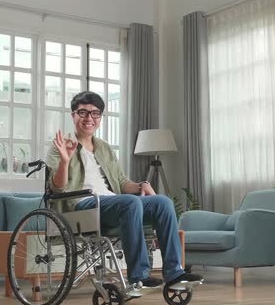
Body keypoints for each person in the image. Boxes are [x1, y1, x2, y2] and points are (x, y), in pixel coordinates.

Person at [47, 91, 202, 288]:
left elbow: (121, 182)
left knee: (163, 202)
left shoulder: (104, 147)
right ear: (73, 115)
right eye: (83, 112)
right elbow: (57, 188)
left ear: (100, 117)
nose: (89, 118)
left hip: (111, 203)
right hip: (81, 206)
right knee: (130, 201)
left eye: (95, 113)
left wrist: (140, 186)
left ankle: (174, 273)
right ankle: (139, 276)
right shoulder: (61, 146)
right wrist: (64, 161)